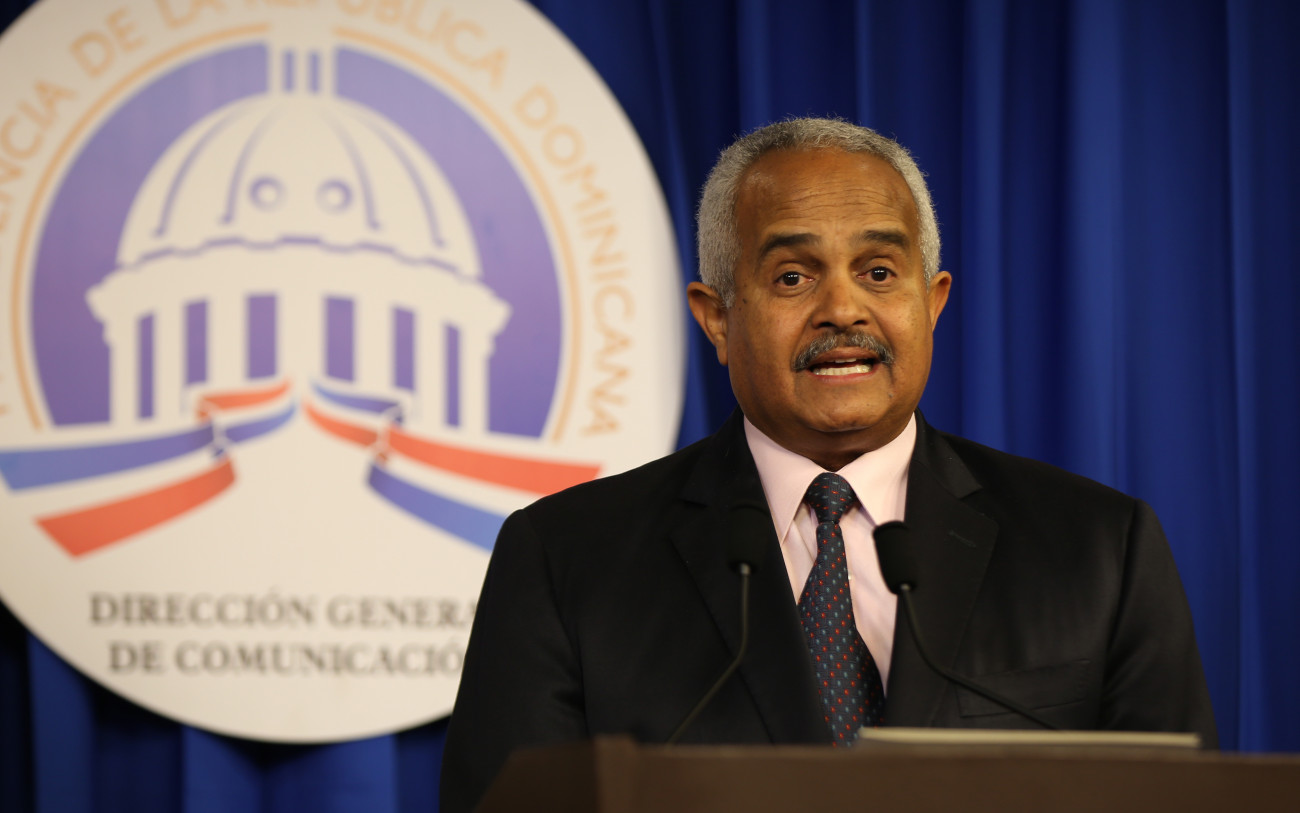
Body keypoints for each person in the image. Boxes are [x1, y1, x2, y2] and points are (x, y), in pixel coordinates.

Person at [440, 118, 1217, 812]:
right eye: (793, 276)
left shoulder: (1098, 549)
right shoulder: (566, 559)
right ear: (716, 317)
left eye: (879, 272)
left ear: (933, 301)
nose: (843, 310)